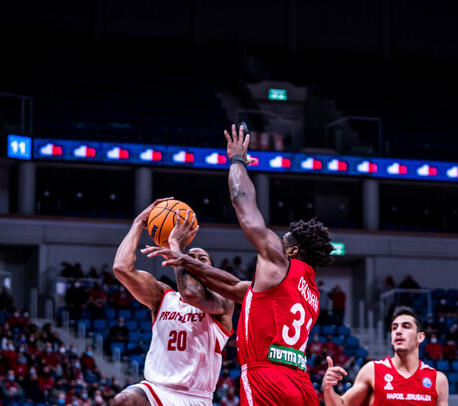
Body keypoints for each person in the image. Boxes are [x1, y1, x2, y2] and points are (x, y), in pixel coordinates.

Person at [149, 123, 335, 405]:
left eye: (283, 240)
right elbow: (234, 286)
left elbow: (242, 202)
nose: (277, 242)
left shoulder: (279, 261)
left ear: (293, 250)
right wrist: (185, 259)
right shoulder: (309, 290)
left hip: (267, 378)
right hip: (300, 383)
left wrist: (237, 160)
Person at [111, 199, 234, 406]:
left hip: (195, 397)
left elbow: (192, 294)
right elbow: (121, 269)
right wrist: (139, 222)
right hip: (157, 389)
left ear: (210, 270)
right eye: (190, 255)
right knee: (123, 400)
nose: (192, 260)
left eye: (201, 259)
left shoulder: (223, 301)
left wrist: (175, 245)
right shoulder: (163, 296)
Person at [322, 306, 449, 406]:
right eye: (394, 328)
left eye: (406, 326)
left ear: (420, 337)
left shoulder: (438, 380)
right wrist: (328, 389)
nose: (398, 331)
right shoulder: (372, 370)